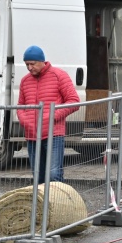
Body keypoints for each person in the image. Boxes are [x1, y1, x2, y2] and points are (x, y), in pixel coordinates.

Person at [17, 45, 80, 185]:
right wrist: (24, 120)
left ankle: (58, 204)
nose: (29, 68)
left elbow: (74, 101)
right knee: (38, 176)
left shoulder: (59, 75)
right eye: (27, 64)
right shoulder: (25, 81)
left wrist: (53, 116)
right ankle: (41, 205)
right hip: (32, 135)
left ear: (42, 61)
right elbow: (20, 106)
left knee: (54, 174)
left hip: (54, 133)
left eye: (32, 64)